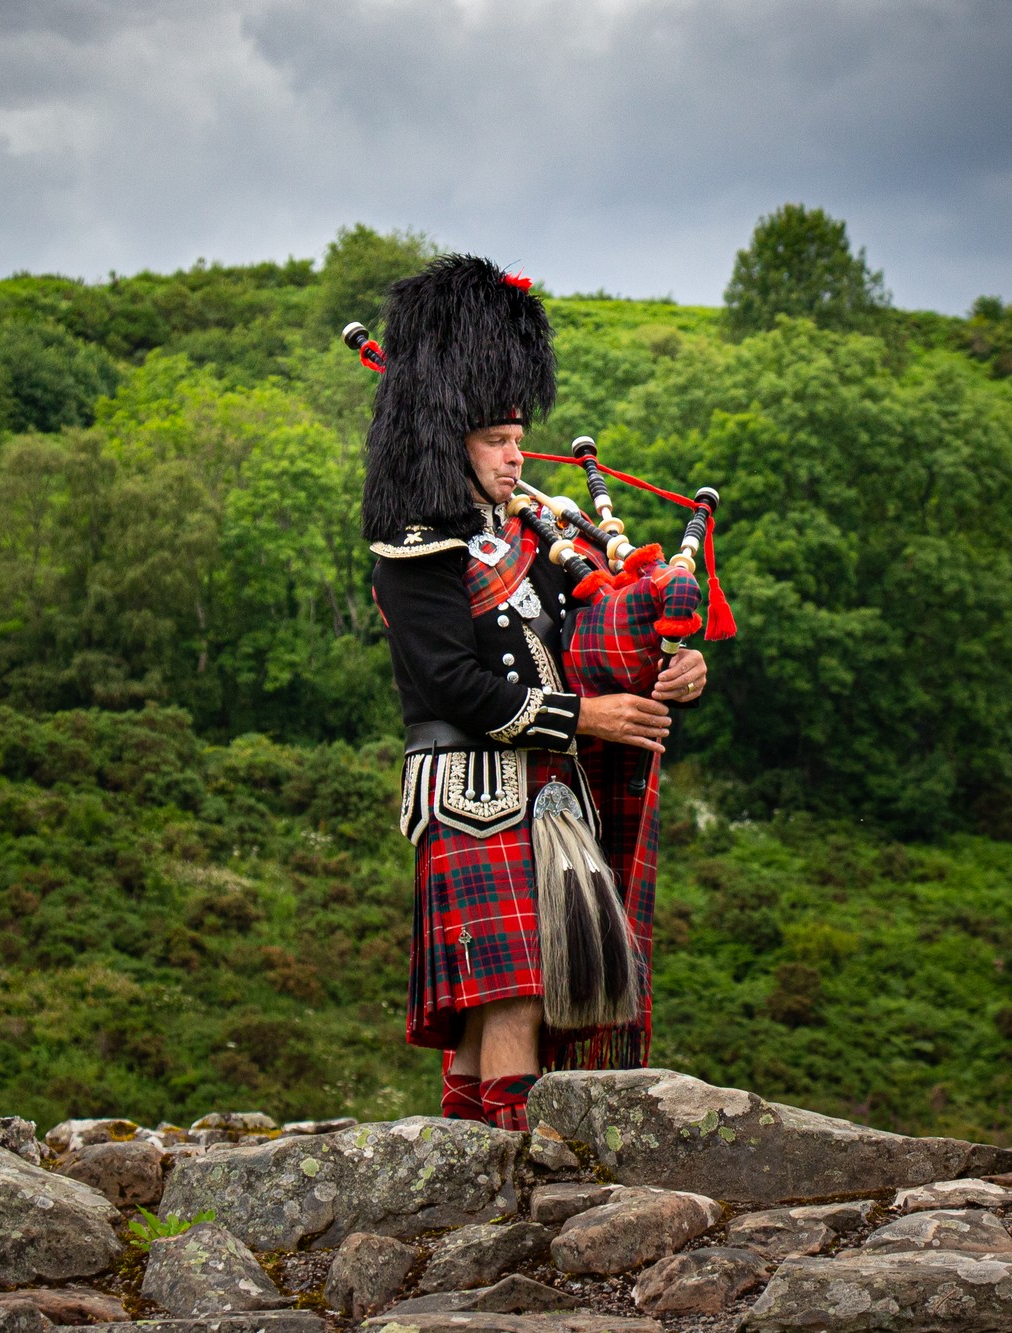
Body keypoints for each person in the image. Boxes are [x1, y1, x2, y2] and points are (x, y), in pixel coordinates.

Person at [361, 255, 707, 1131]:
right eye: (497, 440)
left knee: (525, 997)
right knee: (513, 987)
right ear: (449, 443)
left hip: (552, 792)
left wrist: (670, 667)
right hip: (469, 787)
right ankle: (512, 1178)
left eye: (519, 436)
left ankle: (467, 1159)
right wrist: (584, 716)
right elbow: (452, 680)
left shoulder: (536, 539)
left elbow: (587, 647)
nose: (520, 456)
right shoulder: (415, 552)